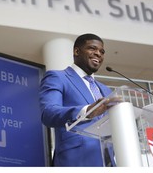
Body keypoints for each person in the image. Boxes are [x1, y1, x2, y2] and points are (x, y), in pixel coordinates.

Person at [39, 33, 118, 167]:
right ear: (77, 51)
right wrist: (87, 111)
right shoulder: (58, 77)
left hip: (107, 162)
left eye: (102, 51)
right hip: (76, 161)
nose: (98, 54)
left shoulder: (106, 90)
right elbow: (48, 113)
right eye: (92, 49)